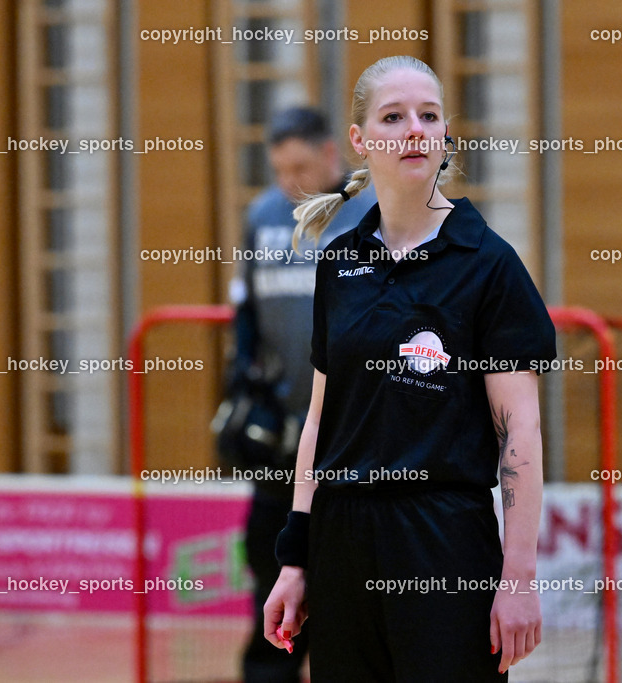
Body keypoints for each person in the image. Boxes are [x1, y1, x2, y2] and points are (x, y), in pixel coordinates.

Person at [263, 56, 557, 682]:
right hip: (342, 545)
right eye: (393, 117)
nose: (414, 130)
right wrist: (296, 557)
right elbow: (321, 419)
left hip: (444, 543)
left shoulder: (488, 264)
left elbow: (520, 436)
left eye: (428, 115)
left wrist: (519, 579)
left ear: (446, 133)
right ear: (360, 141)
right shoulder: (338, 263)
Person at [226, 106, 376, 683]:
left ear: (331, 156)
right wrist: (245, 389)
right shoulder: (263, 214)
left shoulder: (369, 214)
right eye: (279, 169)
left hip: (349, 435)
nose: (290, 182)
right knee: (271, 569)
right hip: (283, 436)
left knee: (343, 581)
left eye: (300, 167)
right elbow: (245, 314)